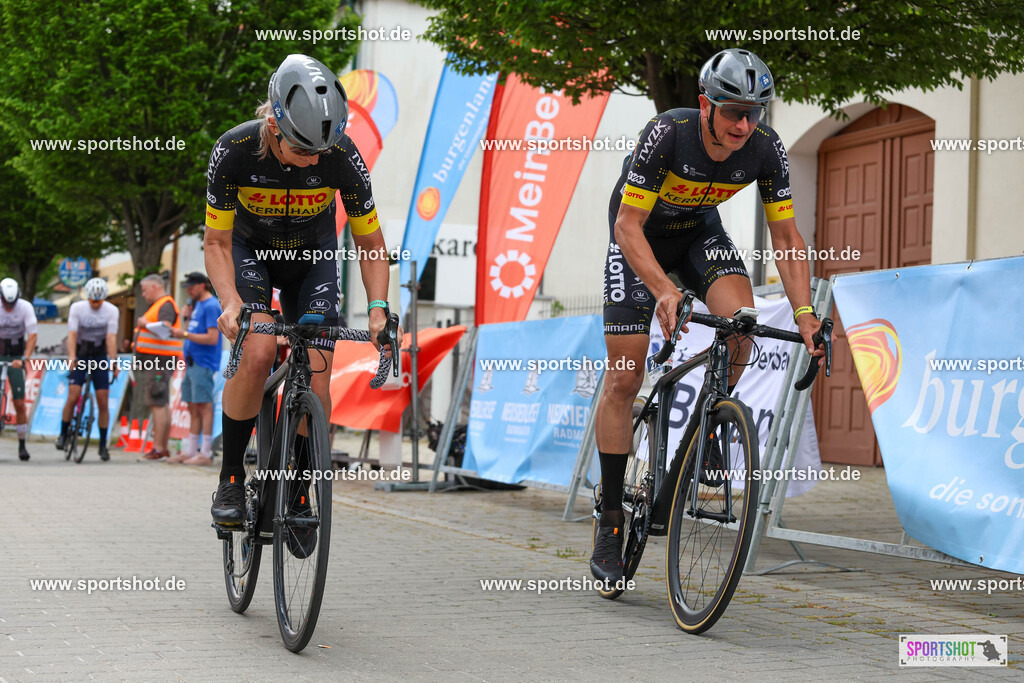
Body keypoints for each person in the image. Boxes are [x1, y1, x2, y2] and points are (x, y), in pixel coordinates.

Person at [590, 49, 825, 584]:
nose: (744, 125)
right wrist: (663, 291)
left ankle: (708, 428)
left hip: (698, 235)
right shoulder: (668, 133)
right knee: (624, 377)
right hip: (639, 239)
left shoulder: (765, 148)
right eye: (733, 112)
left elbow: (786, 236)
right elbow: (627, 225)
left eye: (754, 113)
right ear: (705, 105)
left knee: (742, 324)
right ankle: (610, 516)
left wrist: (805, 313)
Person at [205, 54, 400, 528]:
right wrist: (230, 302)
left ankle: (297, 490)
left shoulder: (342, 154)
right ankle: (231, 477)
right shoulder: (234, 150)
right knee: (257, 351)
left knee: (317, 373)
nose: (315, 159)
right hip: (250, 255)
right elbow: (216, 242)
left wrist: (378, 308)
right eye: (303, 149)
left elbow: (370, 243)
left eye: (321, 150)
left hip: (312, 258)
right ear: (273, 125)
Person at [56, 278, 120, 460]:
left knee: (103, 400)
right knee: (73, 395)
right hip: (81, 352)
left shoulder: (111, 310)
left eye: (99, 301)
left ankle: (102, 445)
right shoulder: (78, 308)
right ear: (88, 297)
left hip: (99, 353)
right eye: (92, 300)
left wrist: (113, 362)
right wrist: (71, 357)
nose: (95, 304)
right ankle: (63, 434)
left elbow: (111, 338)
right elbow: (72, 334)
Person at [167, 272, 222, 466]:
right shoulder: (197, 305)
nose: (189, 290)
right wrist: (186, 319)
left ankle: (205, 452)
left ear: (202, 285)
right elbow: (191, 331)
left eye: (192, 287)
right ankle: (191, 451)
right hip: (192, 362)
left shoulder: (211, 306)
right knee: (192, 406)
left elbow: (212, 338)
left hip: (203, 362)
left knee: (204, 406)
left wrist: (183, 334)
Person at [134, 273, 184, 461]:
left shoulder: (165, 304)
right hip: (160, 359)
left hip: (159, 360)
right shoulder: (162, 304)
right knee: (161, 402)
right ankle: (161, 448)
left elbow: (165, 328)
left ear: (155, 287)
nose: (143, 294)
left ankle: (158, 448)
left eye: (144, 290)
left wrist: (145, 324)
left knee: (157, 402)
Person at [0, 278, 37, 461]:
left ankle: (22, 445)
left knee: (19, 403)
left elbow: (32, 335)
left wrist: (25, 359)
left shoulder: (25, 307)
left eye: (12, 304)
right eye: (5, 304)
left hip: (16, 356)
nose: (9, 308)